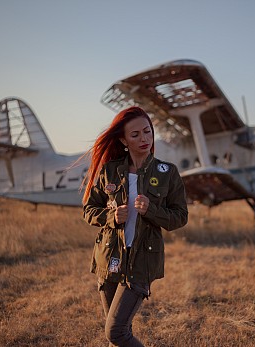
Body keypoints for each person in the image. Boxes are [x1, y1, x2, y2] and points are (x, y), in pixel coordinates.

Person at [81, 106, 188, 346]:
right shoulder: (109, 171)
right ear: (123, 139)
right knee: (116, 337)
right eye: (136, 134)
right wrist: (111, 217)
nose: (144, 139)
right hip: (109, 258)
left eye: (148, 132)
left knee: (116, 332)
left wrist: (151, 210)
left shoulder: (167, 173)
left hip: (142, 261)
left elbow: (180, 216)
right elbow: (89, 210)